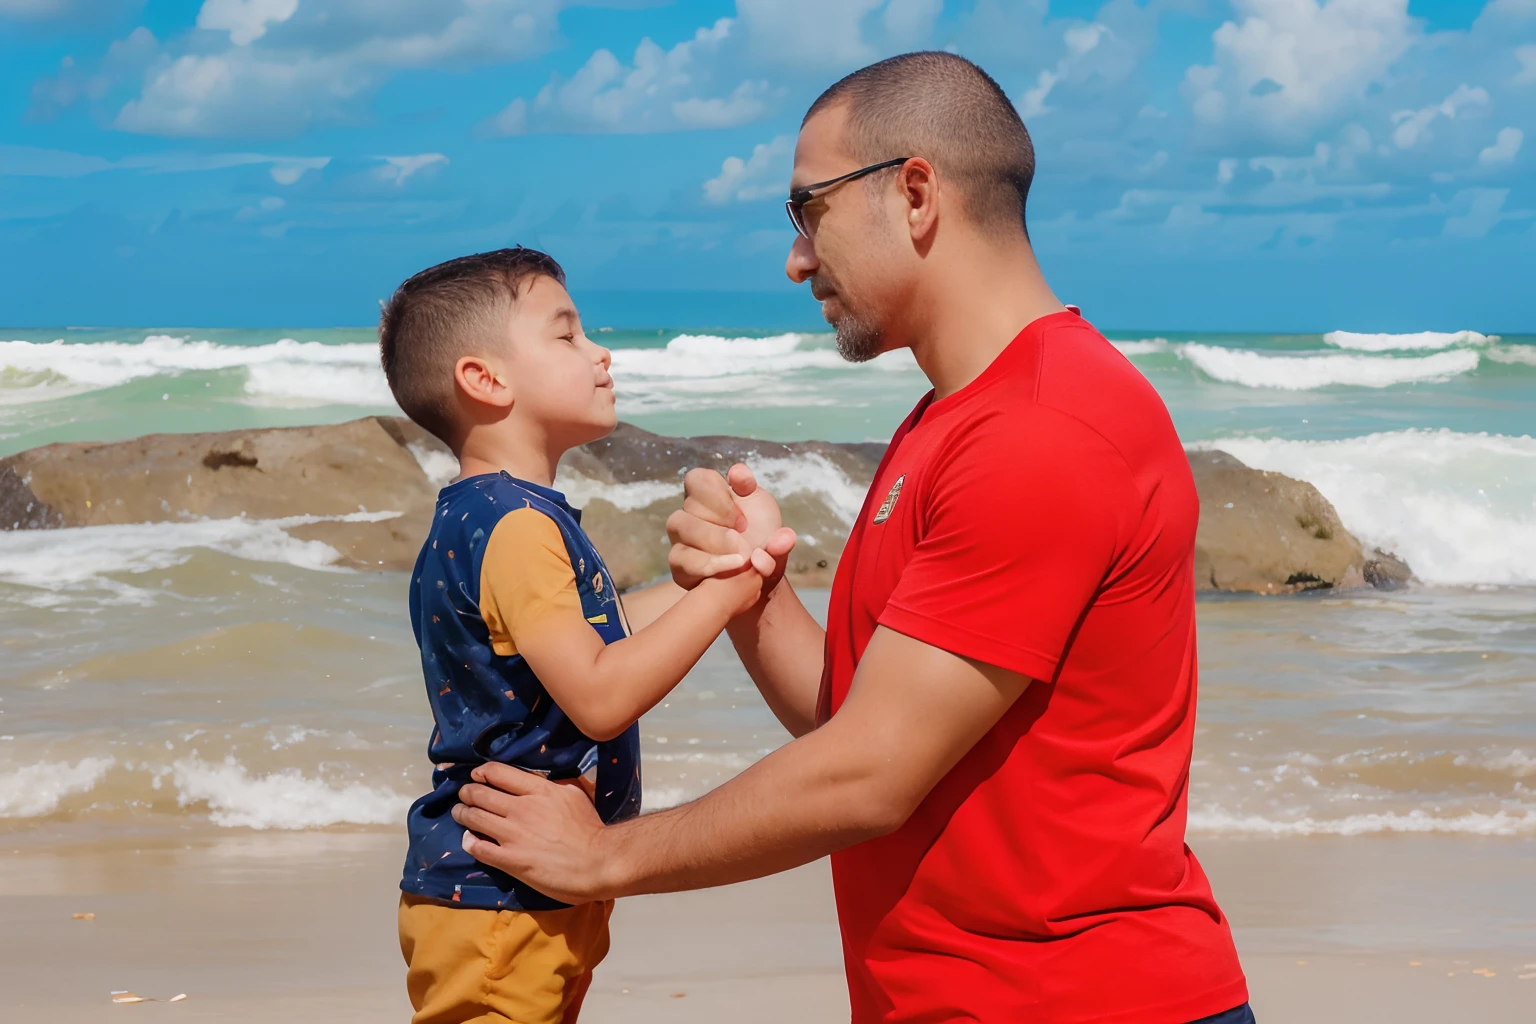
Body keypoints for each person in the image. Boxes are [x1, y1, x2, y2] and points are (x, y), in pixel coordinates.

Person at [451, 53, 1254, 1023]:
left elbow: (872, 773)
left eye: (808, 210)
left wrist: (604, 856)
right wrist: (751, 592)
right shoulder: (945, 423)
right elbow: (858, 719)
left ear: (915, 193)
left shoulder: (1044, 428)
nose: (795, 258)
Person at [378, 247, 772, 1024]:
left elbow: (607, 636)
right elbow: (599, 694)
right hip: (499, 897)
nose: (600, 352)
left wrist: (706, 577)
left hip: (531, 881)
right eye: (567, 335)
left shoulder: (498, 513)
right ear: (485, 380)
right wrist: (732, 591)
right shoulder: (517, 526)